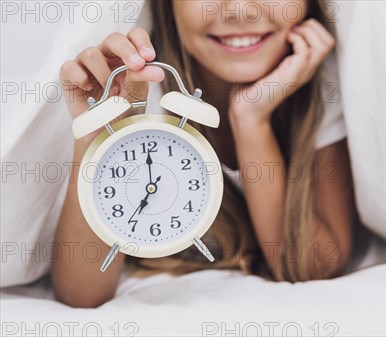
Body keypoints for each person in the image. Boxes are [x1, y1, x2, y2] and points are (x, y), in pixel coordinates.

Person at [52, 0, 357, 308]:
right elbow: (81, 294)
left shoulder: (317, 78)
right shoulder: (137, 85)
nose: (241, 10)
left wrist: (251, 121)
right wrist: (102, 140)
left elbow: (315, 265)